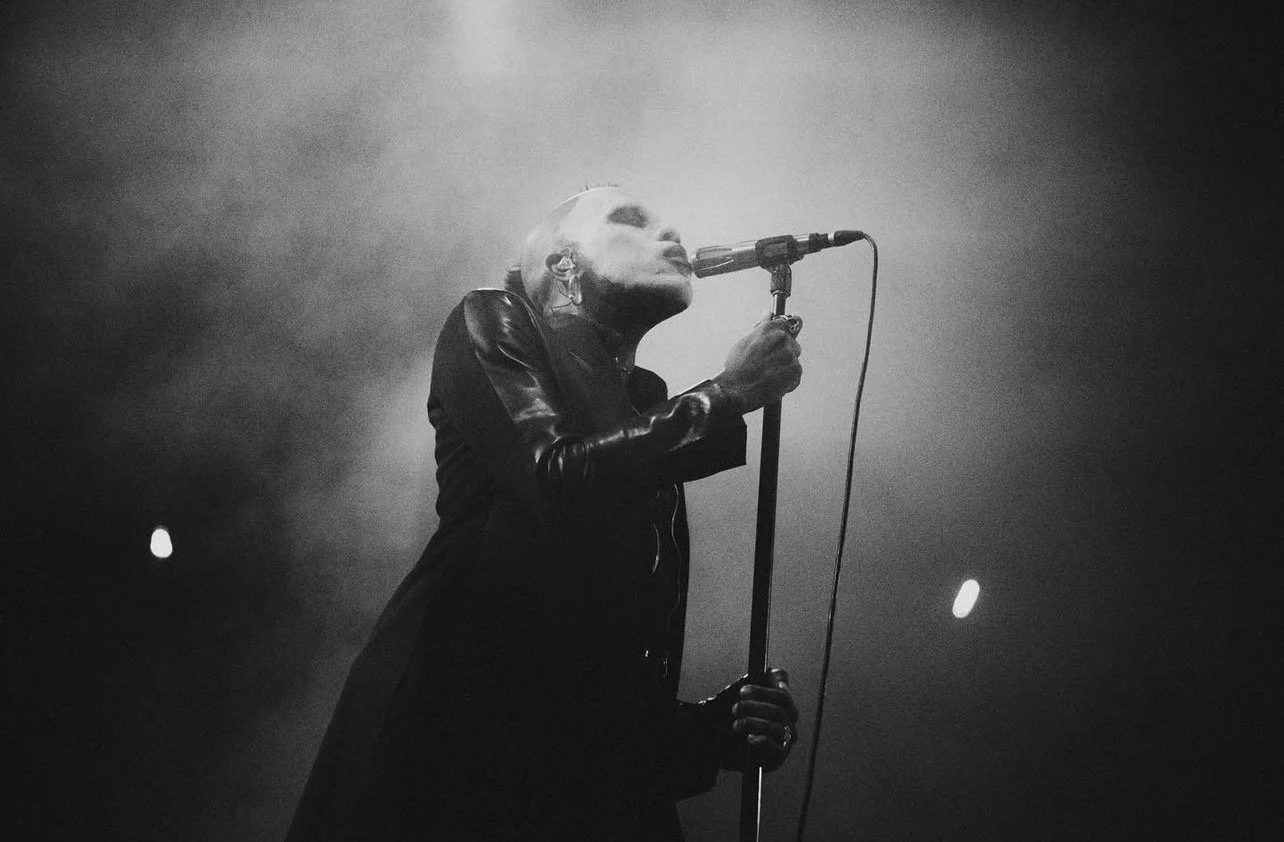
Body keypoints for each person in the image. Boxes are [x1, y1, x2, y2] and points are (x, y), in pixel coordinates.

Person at [285, 187, 804, 841]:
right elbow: (557, 477)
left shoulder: (647, 419)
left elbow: (585, 701)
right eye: (630, 220)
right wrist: (725, 396)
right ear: (563, 267)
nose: (668, 229)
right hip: (448, 782)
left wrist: (713, 731)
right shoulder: (494, 324)